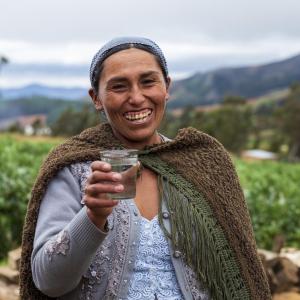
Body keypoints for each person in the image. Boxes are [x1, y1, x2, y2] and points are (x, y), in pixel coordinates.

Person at [19, 37, 271, 300]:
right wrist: (93, 216)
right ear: (96, 98)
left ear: (167, 87)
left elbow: (241, 268)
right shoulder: (73, 168)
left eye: (148, 82)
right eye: (119, 86)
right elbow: (48, 282)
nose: (136, 98)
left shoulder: (204, 163)